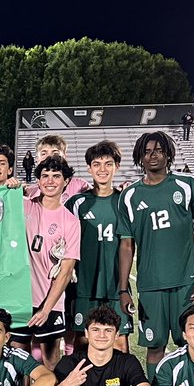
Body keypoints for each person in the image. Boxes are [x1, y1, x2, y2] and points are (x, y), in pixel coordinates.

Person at [116, 131, 194, 379]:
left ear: (168, 153)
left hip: (186, 282)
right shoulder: (129, 196)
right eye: (147, 152)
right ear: (140, 158)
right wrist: (123, 288)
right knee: (154, 346)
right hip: (150, 285)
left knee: (190, 343)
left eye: (158, 150)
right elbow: (127, 246)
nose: (153, 156)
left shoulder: (189, 185)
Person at [66, 140, 132, 350]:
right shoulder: (76, 203)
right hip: (85, 284)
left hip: (116, 285)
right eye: (97, 164)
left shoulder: (125, 200)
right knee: (83, 341)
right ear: (89, 168)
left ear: (117, 166)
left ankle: (121, 384)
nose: (102, 169)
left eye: (108, 164)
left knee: (120, 342)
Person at [18, 154, 80, 370]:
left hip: (50, 302)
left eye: (56, 176)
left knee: (52, 361)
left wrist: (46, 308)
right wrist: (7, 186)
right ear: (38, 180)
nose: (50, 181)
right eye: (45, 176)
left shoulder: (71, 222)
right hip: (20, 300)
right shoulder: (24, 206)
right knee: (18, 360)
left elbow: (65, 271)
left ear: (66, 181)